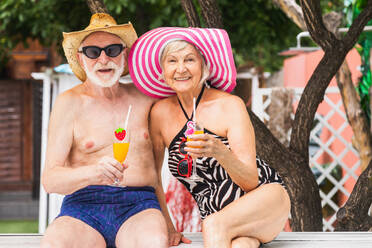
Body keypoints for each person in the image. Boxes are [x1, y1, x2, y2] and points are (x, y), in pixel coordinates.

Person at [128, 27, 291, 248]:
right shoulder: (159, 114)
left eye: (189, 60)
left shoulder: (229, 105)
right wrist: (168, 226)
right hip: (218, 215)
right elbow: (153, 178)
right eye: (172, 61)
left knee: (214, 226)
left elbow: (251, 180)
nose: (181, 68)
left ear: (203, 66)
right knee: (243, 245)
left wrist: (218, 151)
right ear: (163, 70)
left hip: (265, 199)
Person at [40, 13, 168, 248]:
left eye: (112, 50)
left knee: (153, 242)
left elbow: (185, 105)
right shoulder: (69, 103)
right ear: (81, 58)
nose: (103, 59)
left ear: (125, 54)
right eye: (92, 52)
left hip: (138, 206)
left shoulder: (146, 99)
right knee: (55, 244)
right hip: (82, 206)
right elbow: (50, 180)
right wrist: (94, 173)